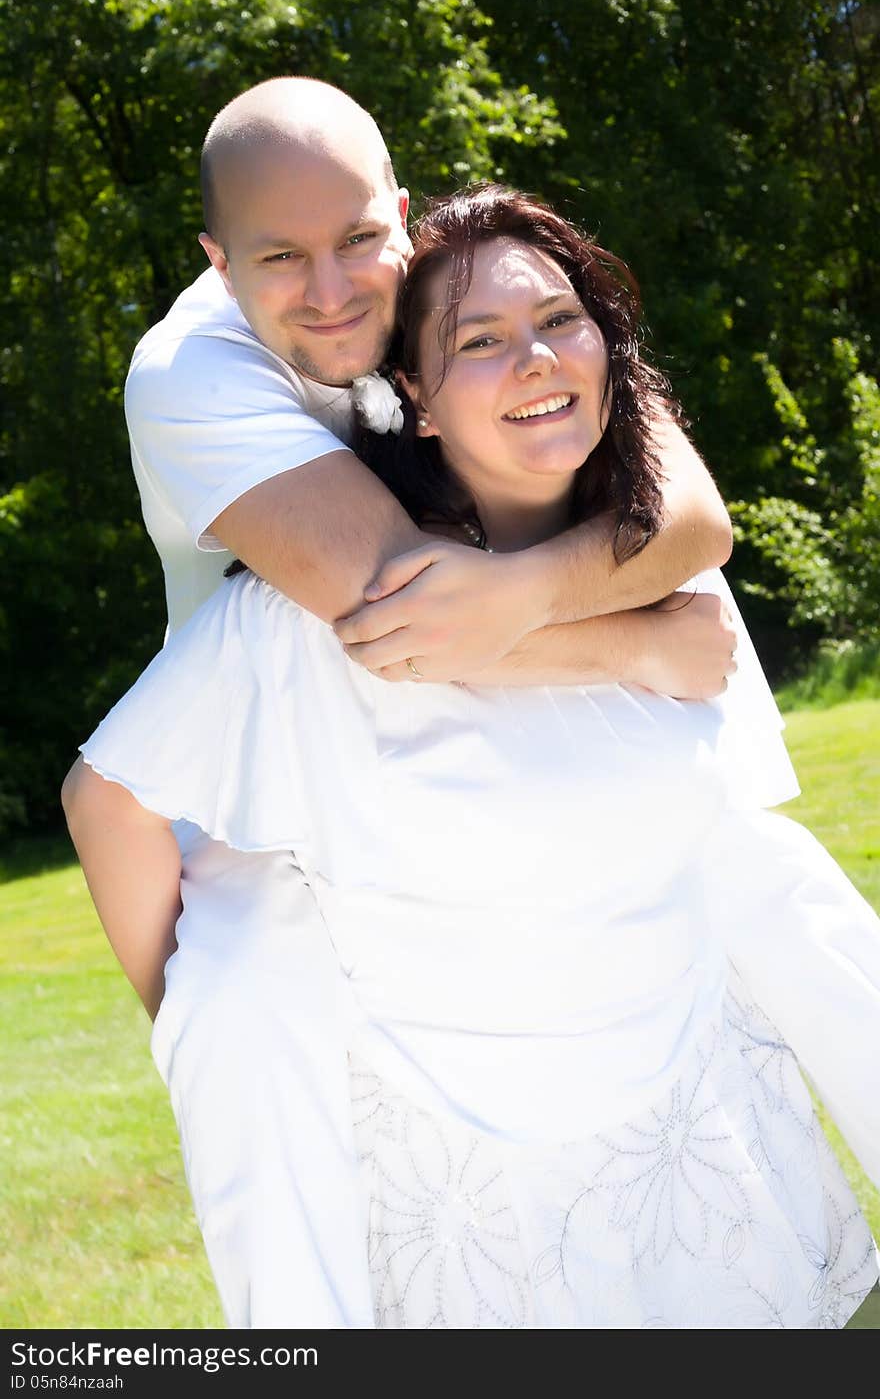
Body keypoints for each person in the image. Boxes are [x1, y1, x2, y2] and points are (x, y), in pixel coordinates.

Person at [68, 183, 880, 1328]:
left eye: (559, 321)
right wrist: (204, 1022)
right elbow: (107, 799)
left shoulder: (668, 582)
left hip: (696, 1159)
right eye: (481, 344)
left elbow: (688, 527)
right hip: (479, 1207)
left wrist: (607, 620)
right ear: (417, 400)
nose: (538, 357)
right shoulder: (284, 588)